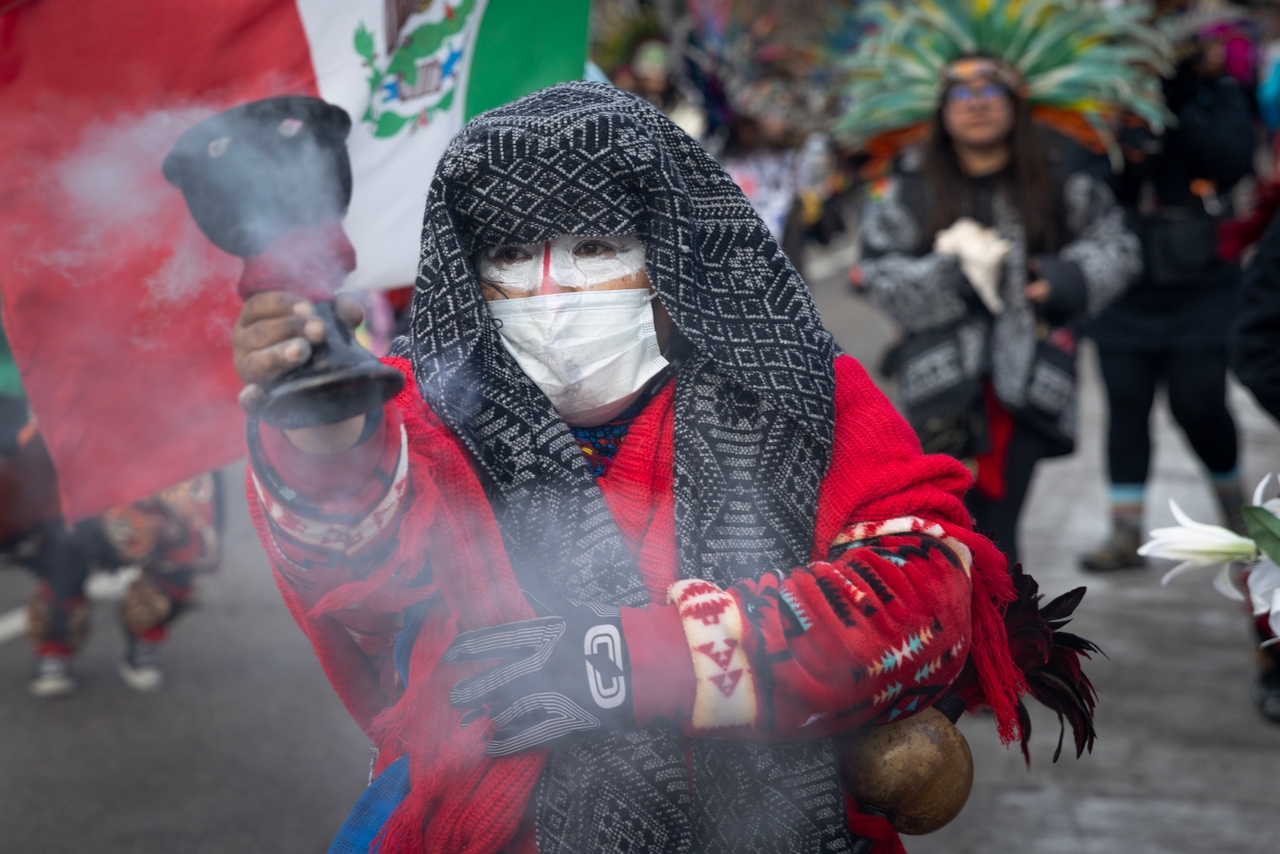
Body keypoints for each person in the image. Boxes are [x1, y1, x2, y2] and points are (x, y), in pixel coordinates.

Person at [226, 83, 1093, 854]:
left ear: (673, 255)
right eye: (508, 255)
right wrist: (324, 436)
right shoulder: (418, 407)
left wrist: (636, 659)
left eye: (597, 246)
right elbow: (366, 595)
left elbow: (927, 589)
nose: (548, 289)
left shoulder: (797, 386)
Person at [855, 58, 1141, 567]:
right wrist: (948, 276)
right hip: (936, 380)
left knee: (1000, 533)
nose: (978, 104)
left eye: (992, 91)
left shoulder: (1059, 176)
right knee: (941, 531)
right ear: (943, 110)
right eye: (961, 95)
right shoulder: (913, 181)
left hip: (1029, 380)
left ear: (1016, 105)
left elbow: (1118, 246)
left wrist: (1062, 279)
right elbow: (876, 269)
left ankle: (1008, 639)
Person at [1081, 23, 1259, 571]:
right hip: (1126, 279)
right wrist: (1122, 133)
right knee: (1127, 400)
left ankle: (1236, 513)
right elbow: (1085, 179)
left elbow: (1232, 161)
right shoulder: (1102, 104)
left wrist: (1175, 111)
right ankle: (1124, 531)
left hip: (1201, 279)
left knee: (1198, 397)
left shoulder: (1217, 95)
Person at [0, 318, 221, 697]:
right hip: (56, 403)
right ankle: (55, 645)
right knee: (64, 545)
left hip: (161, 409)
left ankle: (145, 634)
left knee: (186, 540)